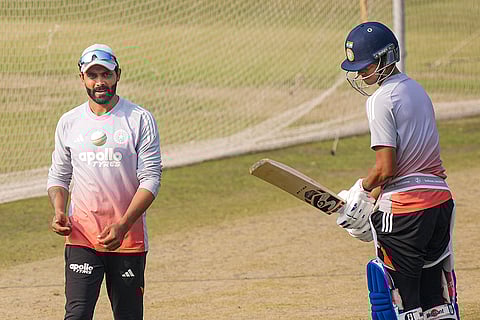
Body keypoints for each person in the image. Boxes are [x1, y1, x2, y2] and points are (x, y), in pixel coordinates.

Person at [336, 22, 459, 320]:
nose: (360, 73)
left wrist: (362, 192)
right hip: (440, 205)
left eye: (366, 67)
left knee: (398, 302)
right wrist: (372, 200)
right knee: (435, 300)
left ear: (385, 58)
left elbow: (386, 168)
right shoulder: (416, 89)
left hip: (405, 212)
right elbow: (410, 164)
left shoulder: (380, 100)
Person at [47, 43, 162, 320]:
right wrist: (60, 210)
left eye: (106, 75)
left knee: (128, 315)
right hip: (81, 236)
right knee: (76, 315)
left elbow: (151, 179)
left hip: (127, 239)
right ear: (82, 78)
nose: (100, 82)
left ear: (118, 75)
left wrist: (123, 225)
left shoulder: (139, 119)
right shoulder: (69, 122)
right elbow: (59, 175)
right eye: (93, 75)